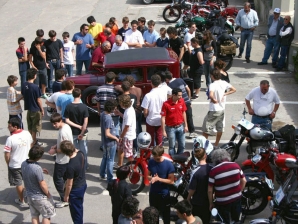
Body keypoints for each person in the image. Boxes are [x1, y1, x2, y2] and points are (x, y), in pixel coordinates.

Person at [208, 149, 247, 224]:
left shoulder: (213, 171)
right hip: (236, 199)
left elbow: (210, 190)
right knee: (236, 220)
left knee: (224, 221)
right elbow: (244, 180)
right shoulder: (236, 165)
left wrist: (211, 203)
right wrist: (240, 191)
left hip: (222, 202)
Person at [21, 145, 56, 224]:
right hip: (39, 197)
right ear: (39, 157)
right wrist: (48, 195)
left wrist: (41, 170)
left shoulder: (23, 163)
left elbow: (29, 172)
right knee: (47, 215)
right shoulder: (37, 168)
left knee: (34, 215)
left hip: (29, 195)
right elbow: (42, 184)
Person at [202, 69, 236, 147]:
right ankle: (216, 143)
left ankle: (204, 145)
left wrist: (214, 100)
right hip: (221, 109)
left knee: (206, 128)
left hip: (214, 109)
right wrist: (225, 94)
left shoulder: (212, 85)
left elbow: (211, 95)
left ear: (212, 76)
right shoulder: (224, 83)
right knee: (219, 127)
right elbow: (234, 89)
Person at [4, 117, 33, 207]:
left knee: (18, 183)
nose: (8, 127)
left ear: (15, 127)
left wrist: (8, 163)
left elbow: (7, 154)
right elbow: (31, 145)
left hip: (15, 165)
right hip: (27, 163)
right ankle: (31, 199)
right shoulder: (27, 133)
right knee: (28, 181)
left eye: (10, 126)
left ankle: (22, 200)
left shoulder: (10, 139)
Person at [48, 113, 73, 208]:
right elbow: (64, 143)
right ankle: (67, 195)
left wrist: (54, 151)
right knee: (65, 179)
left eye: (55, 123)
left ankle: (64, 198)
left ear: (60, 121)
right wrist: (56, 145)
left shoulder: (63, 132)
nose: (54, 125)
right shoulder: (66, 127)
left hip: (62, 160)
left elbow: (65, 148)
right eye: (53, 124)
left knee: (58, 179)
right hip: (66, 159)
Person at [60, 140, 87, 224]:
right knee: (79, 207)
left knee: (76, 213)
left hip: (75, 190)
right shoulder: (81, 154)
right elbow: (77, 150)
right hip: (83, 184)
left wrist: (66, 196)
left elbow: (69, 184)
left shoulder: (70, 166)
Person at [148, 146, 175, 224]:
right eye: (154, 157)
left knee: (166, 217)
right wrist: (151, 178)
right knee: (153, 217)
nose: (155, 159)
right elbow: (147, 175)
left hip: (164, 195)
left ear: (162, 154)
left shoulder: (169, 165)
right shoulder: (151, 162)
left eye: (157, 158)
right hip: (153, 194)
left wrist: (158, 179)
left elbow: (171, 181)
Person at [165, 71, 196, 138]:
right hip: (187, 102)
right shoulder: (180, 79)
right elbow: (188, 89)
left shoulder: (169, 86)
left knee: (179, 118)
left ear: (166, 79)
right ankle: (191, 132)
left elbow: (171, 96)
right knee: (189, 117)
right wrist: (189, 100)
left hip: (179, 103)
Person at [64, 88, 89, 170]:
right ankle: (84, 166)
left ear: (72, 95)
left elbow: (67, 120)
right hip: (83, 132)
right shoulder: (84, 107)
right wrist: (81, 132)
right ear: (80, 95)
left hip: (72, 132)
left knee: (74, 150)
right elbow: (85, 122)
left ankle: (76, 166)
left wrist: (77, 126)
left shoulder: (68, 106)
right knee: (83, 150)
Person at [187, 145, 213, 224]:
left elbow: (192, 189)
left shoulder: (195, 171)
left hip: (197, 202)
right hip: (208, 201)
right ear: (205, 155)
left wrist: (188, 199)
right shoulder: (211, 169)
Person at [141, 74, 167, 147]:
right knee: (159, 137)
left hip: (150, 120)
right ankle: (160, 152)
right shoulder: (163, 94)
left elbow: (145, 111)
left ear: (151, 83)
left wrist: (145, 115)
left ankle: (151, 153)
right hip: (160, 119)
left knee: (150, 138)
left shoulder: (148, 95)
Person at [161, 88, 188, 155]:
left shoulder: (182, 101)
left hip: (181, 126)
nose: (181, 97)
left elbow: (184, 113)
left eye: (181, 95)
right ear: (174, 95)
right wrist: (163, 131)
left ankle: (179, 159)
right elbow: (163, 118)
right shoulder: (166, 104)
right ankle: (173, 160)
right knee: (172, 146)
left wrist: (186, 125)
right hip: (170, 128)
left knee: (182, 145)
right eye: (179, 95)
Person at [22, 68, 44, 146]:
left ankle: (31, 140)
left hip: (29, 109)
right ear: (34, 76)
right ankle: (33, 142)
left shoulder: (24, 84)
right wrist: (42, 109)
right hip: (36, 109)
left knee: (30, 126)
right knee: (35, 127)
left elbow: (23, 95)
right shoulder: (35, 87)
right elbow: (38, 100)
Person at [99, 100, 119, 181]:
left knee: (105, 158)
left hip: (104, 142)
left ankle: (102, 174)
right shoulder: (108, 118)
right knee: (110, 160)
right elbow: (107, 133)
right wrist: (116, 138)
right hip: (110, 143)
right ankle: (110, 178)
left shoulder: (103, 114)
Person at [123, 75, 143, 150]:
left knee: (134, 129)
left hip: (132, 111)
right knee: (139, 127)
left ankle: (135, 146)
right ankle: (140, 144)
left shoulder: (128, 91)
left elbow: (117, 87)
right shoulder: (139, 89)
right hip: (139, 111)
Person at [117, 94, 136, 167]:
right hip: (125, 135)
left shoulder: (129, 112)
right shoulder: (128, 109)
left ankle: (132, 168)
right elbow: (125, 118)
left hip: (127, 136)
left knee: (129, 154)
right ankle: (120, 165)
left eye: (120, 102)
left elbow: (127, 127)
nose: (119, 104)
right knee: (120, 150)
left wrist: (121, 136)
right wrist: (119, 113)